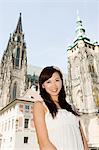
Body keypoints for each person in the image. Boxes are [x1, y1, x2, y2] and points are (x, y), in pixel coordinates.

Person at [30, 66, 89, 150]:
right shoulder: (40, 106)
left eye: (57, 80)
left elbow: (83, 140)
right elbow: (44, 144)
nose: (54, 85)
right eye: (48, 82)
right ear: (43, 85)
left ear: (62, 81)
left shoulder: (72, 108)